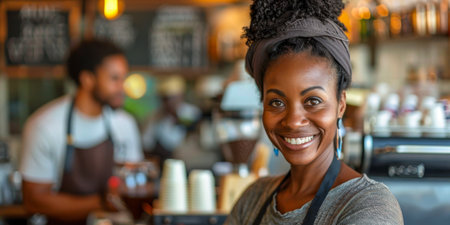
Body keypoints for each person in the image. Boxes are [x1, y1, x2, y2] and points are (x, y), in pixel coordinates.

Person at [226, 0, 403, 224]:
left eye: (312, 100)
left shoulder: (368, 204)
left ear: (341, 104)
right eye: (277, 102)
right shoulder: (252, 198)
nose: (293, 121)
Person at [20, 39, 143, 224]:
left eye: (123, 78)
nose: (122, 87)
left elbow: (136, 183)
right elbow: (35, 201)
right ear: (87, 79)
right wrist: (102, 202)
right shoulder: (44, 126)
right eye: (114, 79)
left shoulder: (124, 124)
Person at [142, 76, 201, 169]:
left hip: (191, 164)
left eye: (172, 98)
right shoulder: (154, 117)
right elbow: (146, 144)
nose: (169, 102)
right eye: (165, 98)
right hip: (165, 165)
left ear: (181, 96)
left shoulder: (193, 113)